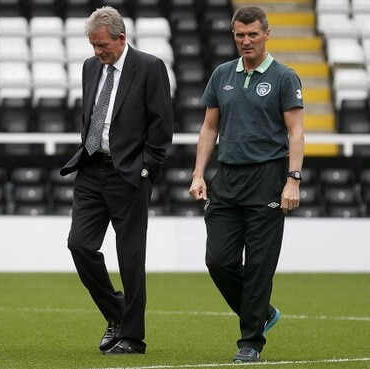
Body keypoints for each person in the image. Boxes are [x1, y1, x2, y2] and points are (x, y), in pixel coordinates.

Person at [188, 5, 304, 363]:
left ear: (266, 33)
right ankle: (263, 313)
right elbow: (209, 128)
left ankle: (250, 342)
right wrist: (198, 174)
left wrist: (293, 180)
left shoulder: (285, 77)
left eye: (252, 34)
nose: (246, 40)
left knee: (258, 267)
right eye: (239, 34)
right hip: (227, 177)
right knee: (219, 261)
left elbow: (295, 131)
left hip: (268, 178)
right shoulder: (222, 74)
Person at [60, 6, 174, 355]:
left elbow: (162, 125)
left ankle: (133, 338)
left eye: (103, 45)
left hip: (129, 176)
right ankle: (117, 312)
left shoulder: (151, 68)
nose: (97, 52)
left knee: (130, 257)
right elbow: (90, 114)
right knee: (79, 245)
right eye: (93, 45)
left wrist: (146, 168)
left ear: (121, 38)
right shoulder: (89, 67)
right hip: (92, 169)